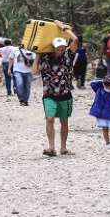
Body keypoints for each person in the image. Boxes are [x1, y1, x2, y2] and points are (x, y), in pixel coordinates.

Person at [32, 21, 78, 156]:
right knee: (50, 119)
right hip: (49, 94)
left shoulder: (69, 55)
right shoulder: (45, 57)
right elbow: (34, 72)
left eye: (63, 47)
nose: (61, 50)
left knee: (64, 121)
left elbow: (75, 39)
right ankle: (51, 147)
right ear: (53, 47)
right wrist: (37, 55)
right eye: (58, 48)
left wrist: (62, 26)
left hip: (65, 93)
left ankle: (63, 148)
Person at [89, 75, 110, 149]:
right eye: (106, 85)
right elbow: (92, 83)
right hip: (101, 113)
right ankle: (107, 143)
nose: (108, 88)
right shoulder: (99, 88)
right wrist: (102, 81)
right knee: (104, 128)